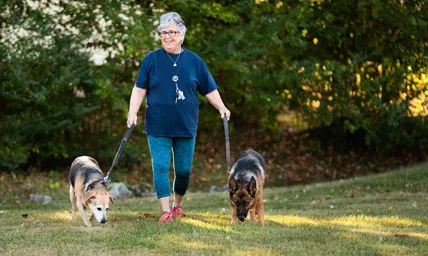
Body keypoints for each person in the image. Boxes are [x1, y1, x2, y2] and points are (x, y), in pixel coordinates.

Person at [126, 12, 231, 223]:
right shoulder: (151, 60)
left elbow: (209, 88)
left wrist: (221, 107)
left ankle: (177, 205)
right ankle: (165, 211)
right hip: (158, 125)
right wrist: (132, 111)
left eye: (171, 32)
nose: (167, 36)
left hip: (185, 125)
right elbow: (139, 89)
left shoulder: (194, 61)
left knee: (183, 170)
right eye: (163, 32)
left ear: (182, 35)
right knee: (161, 166)